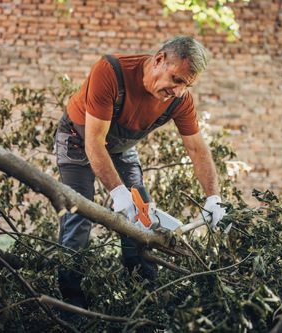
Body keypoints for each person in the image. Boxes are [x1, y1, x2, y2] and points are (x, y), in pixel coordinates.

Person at [54, 36, 226, 308]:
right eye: (177, 80)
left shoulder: (179, 100)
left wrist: (214, 197)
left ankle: (143, 299)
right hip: (79, 138)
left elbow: (196, 149)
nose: (179, 91)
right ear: (159, 60)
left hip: (121, 148)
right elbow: (94, 143)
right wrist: (119, 194)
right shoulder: (111, 72)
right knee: (79, 217)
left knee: (142, 220)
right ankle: (70, 305)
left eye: (187, 85)